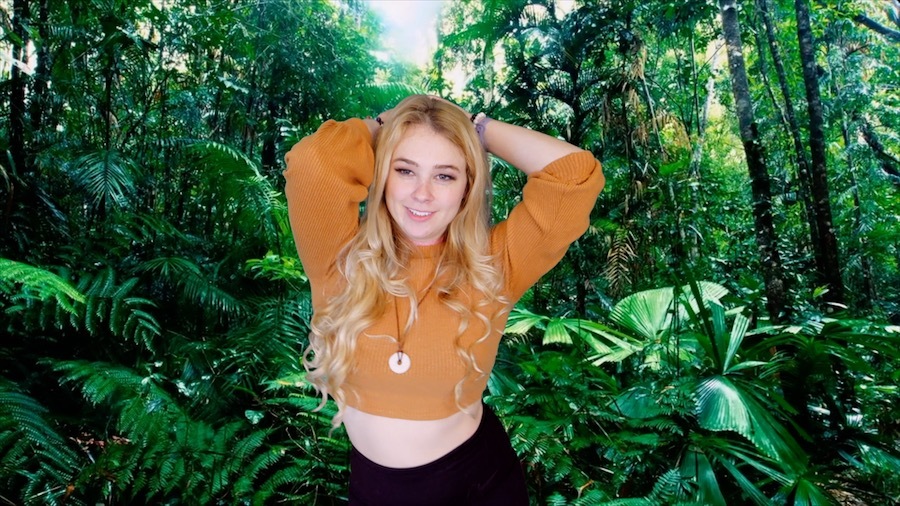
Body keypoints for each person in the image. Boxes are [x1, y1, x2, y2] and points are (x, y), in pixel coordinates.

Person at [283, 95, 604, 505]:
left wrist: (477, 128)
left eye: (445, 176)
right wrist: (387, 122)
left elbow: (573, 174)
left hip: (480, 486)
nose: (422, 194)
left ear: (467, 187)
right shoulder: (338, 255)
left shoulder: (495, 263)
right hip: (375, 490)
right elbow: (313, 162)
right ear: (383, 175)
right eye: (405, 170)